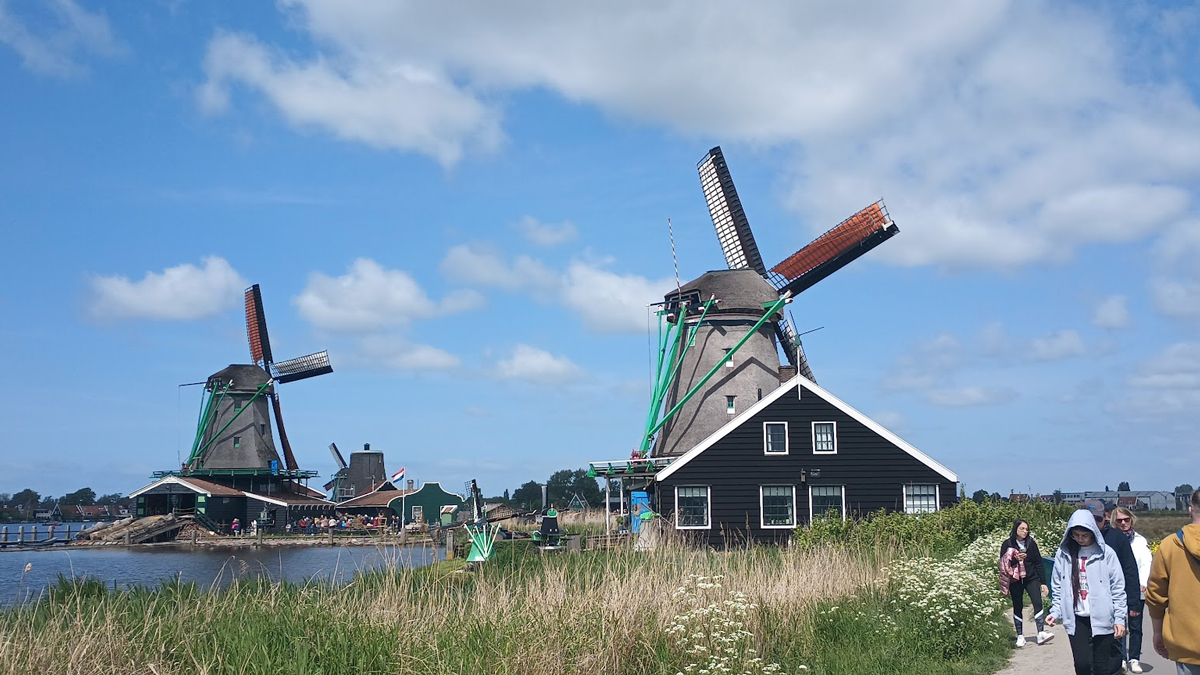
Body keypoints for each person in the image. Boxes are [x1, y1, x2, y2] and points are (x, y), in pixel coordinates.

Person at [1047, 509, 1128, 675]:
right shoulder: (1064, 554)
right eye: (1075, 535)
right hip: (1077, 618)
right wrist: (1055, 611)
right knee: (1082, 664)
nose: (1080, 539)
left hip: (1102, 616)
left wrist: (1119, 618)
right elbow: (1057, 584)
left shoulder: (1107, 554)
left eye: (1084, 535)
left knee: (1102, 666)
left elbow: (1118, 588)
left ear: (1093, 533)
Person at [1083, 498, 1142, 673]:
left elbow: (1130, 571)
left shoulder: (1117, 538)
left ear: (1105, 517)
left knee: (1112, 648)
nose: (1094, 523)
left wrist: (1133, 602)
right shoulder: (1077, 540)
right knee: (1088, 654)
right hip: (1086, 605)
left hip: (1112, 603)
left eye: (1098, 519)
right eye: (1089, 519)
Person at [1146, 488, 1200, 674]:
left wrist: (1158, 633)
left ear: (1191, 510)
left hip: (1186, 643)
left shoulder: (1170, 545)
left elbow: (1155, 596)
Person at [1111, 507, 1152, 673]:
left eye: (1126, 519)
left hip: (1136, 588)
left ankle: (1134, 658)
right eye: (1119, 520)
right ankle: (1121, 658)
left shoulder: (1140, 540)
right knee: (1119, 625)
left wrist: (1142, 582)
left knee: (1135, 626)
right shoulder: (1111, 539)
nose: (1123, 523)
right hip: (1117, 589)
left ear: (1131, 520)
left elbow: (1146, 562)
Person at [1000, 519, 1054, 647]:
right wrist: (1014, 559)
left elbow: (1038, 563)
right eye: (1022, 529)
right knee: (1017, 605)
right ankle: (1020, 636)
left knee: (1037, 602)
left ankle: (1041, 633)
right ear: (1016, 529)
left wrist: (1043, 582)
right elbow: (1003, 563)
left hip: (1031, 578)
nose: (1025, 531)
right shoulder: (1007, 544)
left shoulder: (1031, 543)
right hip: (1015, 579)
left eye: (1026, 529)